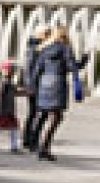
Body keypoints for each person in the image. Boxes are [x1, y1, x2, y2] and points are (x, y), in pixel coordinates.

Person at [24, 25, 83, 162]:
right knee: (56, 118)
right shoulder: (65, 48)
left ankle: (35, 142)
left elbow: (38, 68)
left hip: (44, 83)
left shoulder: (45, 48)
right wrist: (81, 64)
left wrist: (32, 86)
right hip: (57, 83)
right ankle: (44, 147)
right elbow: (71, 66)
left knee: (44, 114)